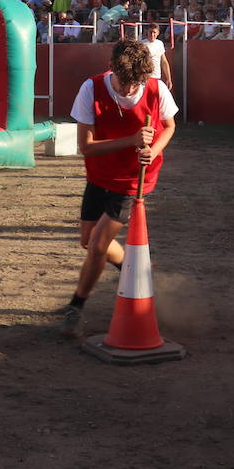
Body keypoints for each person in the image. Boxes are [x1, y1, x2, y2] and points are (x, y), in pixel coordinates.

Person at [60, 41, 179, 336]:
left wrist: (154, 149)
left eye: (135, 83)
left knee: (99, 243)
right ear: (112, 68)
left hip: (133, 179)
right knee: (88, 242)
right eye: (124, 83)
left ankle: (75, 306)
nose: (129, 90)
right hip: (99, 174)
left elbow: (170, 127)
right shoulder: (91, 89)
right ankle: (138, 271)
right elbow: (86, 148)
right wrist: (132, 140)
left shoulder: (155, 88)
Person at [141, 22, 173, 88]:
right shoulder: (142, 44)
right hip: (145, 78)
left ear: (158, 33)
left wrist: (168, 79)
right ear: (147, 32)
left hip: (157, 77)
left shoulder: (160, 43)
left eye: (154, 32)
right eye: (150, 32)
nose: (152, 34)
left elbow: (164, 62)